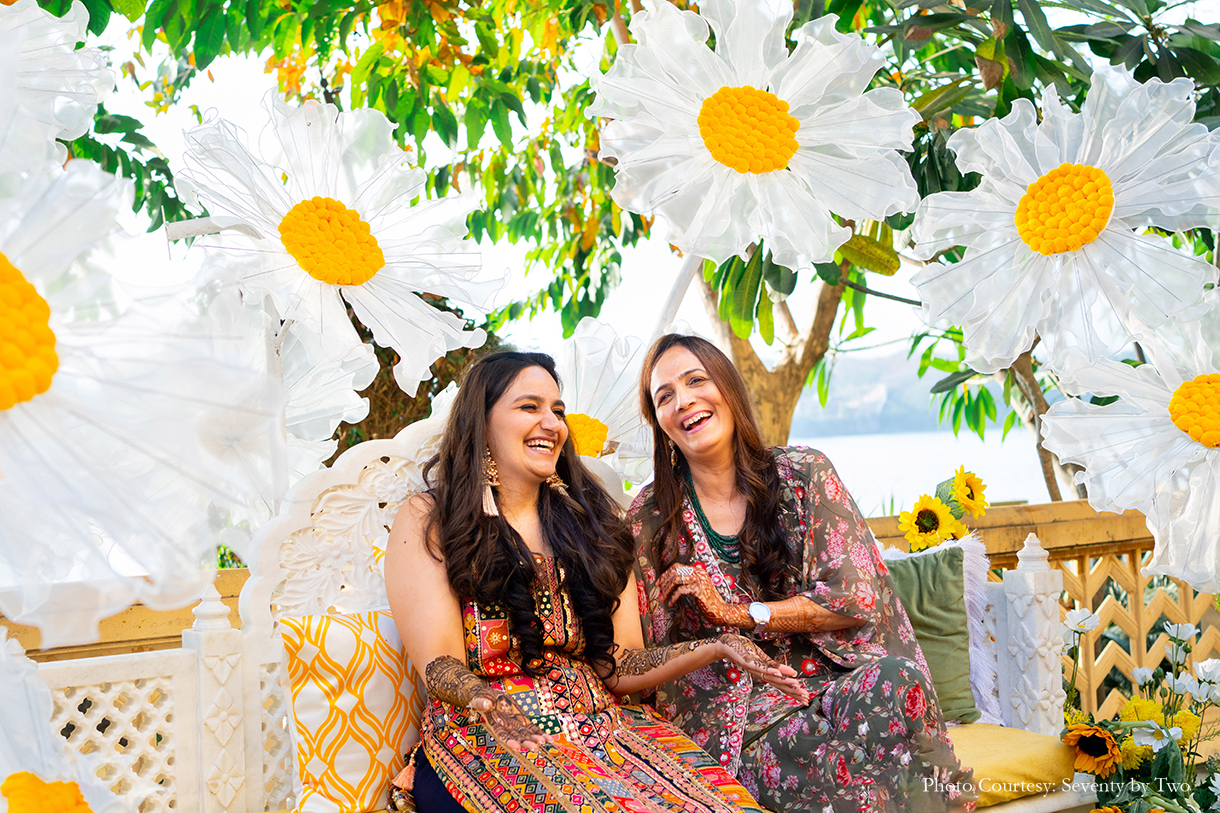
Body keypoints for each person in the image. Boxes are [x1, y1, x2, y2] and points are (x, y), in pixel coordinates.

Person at [384, 350, 808, 813]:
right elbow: (440, 664)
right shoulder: (431, 519)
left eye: (557, 410)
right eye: (529, 407)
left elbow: (619, 665)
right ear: (481, 423)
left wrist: (720, 644)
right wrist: (490, 703)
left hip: (603, 730)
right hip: (483, 737)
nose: (552, 423)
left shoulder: (594, 524)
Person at [628, 334, 976, 813]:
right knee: (852, 771)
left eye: (696, 381)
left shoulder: (804, 474)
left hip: (838, 680)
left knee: (898, 681)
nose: (683, 400)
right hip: (745, 718)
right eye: (664, 396)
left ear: (728, 387)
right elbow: (641, 654)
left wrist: (735, 612)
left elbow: (854, 598)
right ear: (659, 422)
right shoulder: (650, 519)